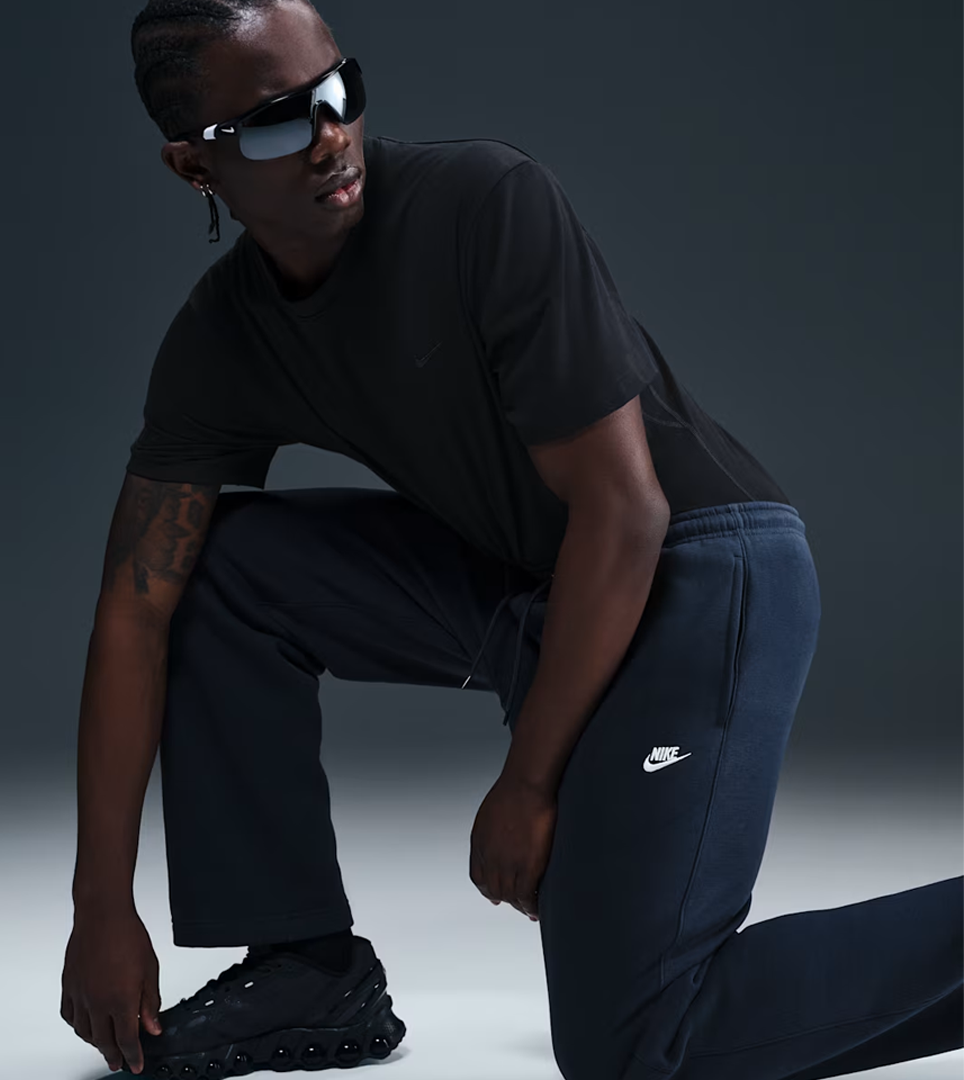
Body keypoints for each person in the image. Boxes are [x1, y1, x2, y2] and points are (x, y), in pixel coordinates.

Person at [59, 1, 964, 1078]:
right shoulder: (223, 339)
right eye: (276, 122)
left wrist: (529, 784)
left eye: (339, 92)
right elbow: (134, 612)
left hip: (700, 572)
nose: (332, 136)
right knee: (216, 567)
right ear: (192, 164)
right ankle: (307, 970)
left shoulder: (482, 201)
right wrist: (100, 907)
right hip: (532, 590)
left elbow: (626, 513)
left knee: (637, 1046)